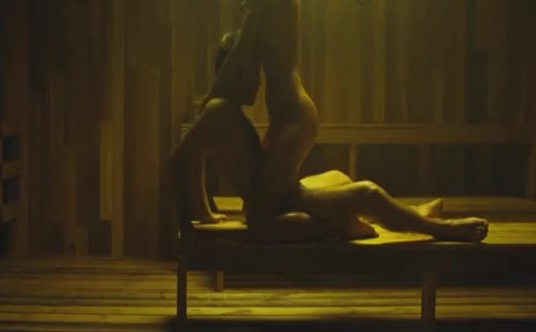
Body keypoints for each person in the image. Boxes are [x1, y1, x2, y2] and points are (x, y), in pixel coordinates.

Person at [167, 34, 488, 243]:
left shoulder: (222, 110)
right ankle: (442, 229)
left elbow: (196, 156)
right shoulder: (220, 110)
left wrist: (204, 212)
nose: (258, 83)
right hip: (272, 213)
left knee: (337, 177)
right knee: (368, 193)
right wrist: (187, 229)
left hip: (280, 198)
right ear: (234, 72)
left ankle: (410, 214)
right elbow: (178, 160)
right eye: (252, 74)